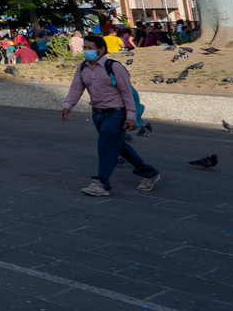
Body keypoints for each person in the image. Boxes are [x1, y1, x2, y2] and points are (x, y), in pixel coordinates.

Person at [61, 34, 160, 196]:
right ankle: (148, 173)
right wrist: (68, 106)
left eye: (89, 48)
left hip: (116, 114)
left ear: (100, 50)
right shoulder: (82, 67)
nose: (86, 51)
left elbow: (126, 92)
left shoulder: (114, 67)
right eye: (85, 47)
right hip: (98, 114)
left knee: (106, 146)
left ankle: (101, 183)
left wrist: (131, 115)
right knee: (118, 146)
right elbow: (76, 88)